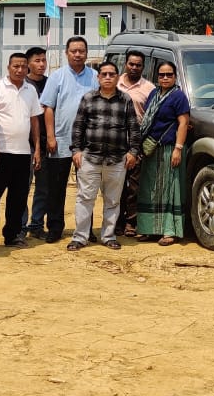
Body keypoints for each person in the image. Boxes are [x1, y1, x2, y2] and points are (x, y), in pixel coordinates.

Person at [67, 61, 139, 252]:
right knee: (85, 198)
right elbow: (78, 126)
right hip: (90, 158)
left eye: (111, 74)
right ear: (98, 77)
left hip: (117, 160)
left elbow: (133, 128)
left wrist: (133, 152)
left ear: (117, 77)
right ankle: (80, 237)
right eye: (104, 74)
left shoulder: (125, 100)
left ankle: (109, 236)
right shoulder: (88, 98)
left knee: (113, 201)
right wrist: (76, 151)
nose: (108, 77)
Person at [39, 36, 97, 243]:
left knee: (87, 188)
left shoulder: (95, 77)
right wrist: (51, 136)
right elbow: (48, 107)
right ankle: (55, 228)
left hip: (88, 143)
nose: (78, 54)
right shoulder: (57, 77)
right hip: (61, 140)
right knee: (56, 188)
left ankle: (86, 229)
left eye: (81, 51)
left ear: (86, 53)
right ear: (66, 53)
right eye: (74, 51)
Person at [136, 60, 191, 246]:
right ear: (157, 77)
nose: (165, 78)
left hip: (170, 149)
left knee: (170, 189)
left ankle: (170, 231)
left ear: (175, 77)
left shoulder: (179, 97)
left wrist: (178, 149)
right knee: (150, 189)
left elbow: (183, 123)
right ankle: (149, 229)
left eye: (169, 75)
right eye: (161, 75)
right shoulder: (154, 93)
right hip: (152, 150)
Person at [0, 52, 42, 248]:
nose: (20, 70)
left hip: (23, 153)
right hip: (0, 153)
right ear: (8, 67)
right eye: (16, 66)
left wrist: (37, 149)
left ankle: (12, 235)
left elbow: (34, 120)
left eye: (23, 66)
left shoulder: (31, 90)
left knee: (18, 198)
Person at [116, 50, 154, 237]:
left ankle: (131, 222)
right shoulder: (115, 82)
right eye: (131, 64)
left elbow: (152, 115)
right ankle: (116, 222)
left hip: (136, 141)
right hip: (114, 140)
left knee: (133, 186)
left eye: (138, 65)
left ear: (143, 67)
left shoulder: (149, 88)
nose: (134, 67)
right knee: (115, 185)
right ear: (126, 64)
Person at [23, 46, 50, 237]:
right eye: (37, 61)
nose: (41, 64)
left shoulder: (50, 84)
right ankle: (20, 226)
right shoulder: (22, 84)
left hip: (46, 143)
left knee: (44, 188)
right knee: (22, 187)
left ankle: (37, 225)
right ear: (28, 63)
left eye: (43, 60)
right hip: (24, 144)